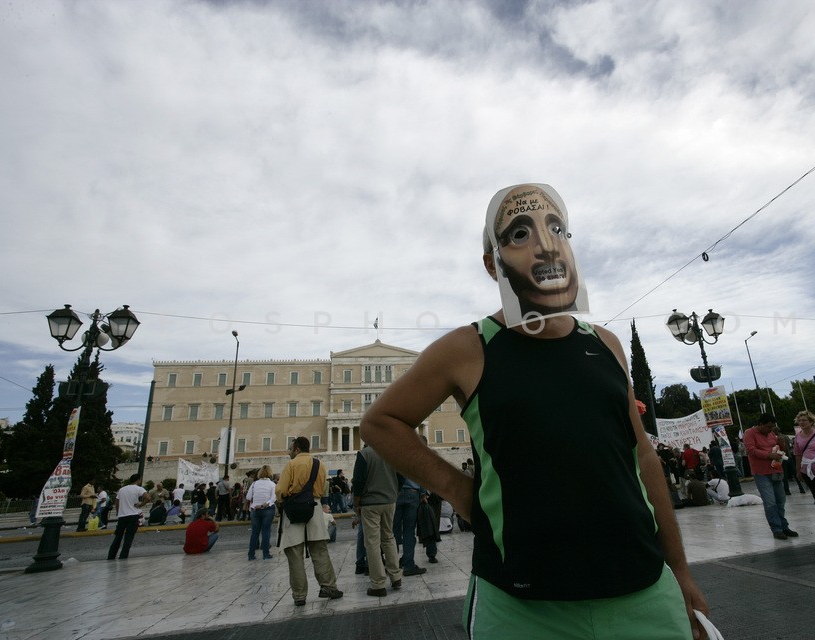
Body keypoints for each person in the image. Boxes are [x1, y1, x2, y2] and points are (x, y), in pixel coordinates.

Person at [358, 183, 707, 639]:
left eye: (557, 228)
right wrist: (459, 491)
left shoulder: (605, 344)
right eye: (519, 234)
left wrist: (679, 571)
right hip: (520, 605)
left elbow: (641, 455)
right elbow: (380, 423)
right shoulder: (468, 348)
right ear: (492, 263)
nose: (546, 245)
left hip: (644, 591)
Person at [276, 437, 342, 605]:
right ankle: (329, 587)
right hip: (315, 506)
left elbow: (281, 490)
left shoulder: (291, 465)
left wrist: (282, 499)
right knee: (319, 549)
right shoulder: (320, 465)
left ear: (297, 449)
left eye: (290, 449)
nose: (289, 452)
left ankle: (299, 596)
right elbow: (323, 488)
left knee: (295, 553)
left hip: (294, 508)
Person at [352, 444, 404, 597]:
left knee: (372, 543)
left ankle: (378, 584)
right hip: (389, 502)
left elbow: (358, 481)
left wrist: (356, 503)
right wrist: (394, 492)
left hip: (370, 504)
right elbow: (402, 476)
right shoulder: (391, 451)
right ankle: (396, 577)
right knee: (389, 537)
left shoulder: (364, 454)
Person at [743, 413, 798, 541]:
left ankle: (784, 526)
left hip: (776, 470)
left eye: (772, 427)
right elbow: (751, 450)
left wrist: (781, 444)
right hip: (761, 472)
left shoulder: (771, 434)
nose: (770, 429)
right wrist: (768, 455)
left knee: (780, 500)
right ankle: (776, 529)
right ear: (760, 424)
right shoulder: (750, 433)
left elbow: (778, 449)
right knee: (770, 502)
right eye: (768, 427)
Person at [107, 474, 150, 560]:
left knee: (118, 537)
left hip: (122, 516)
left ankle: (111, 556)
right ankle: (123, 556)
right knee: (128, 538)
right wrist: (141, 505)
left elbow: (117, 501)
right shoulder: (139, 488)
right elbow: (148, 498)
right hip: (133, 515)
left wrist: (118, 512)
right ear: (138, 480)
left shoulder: (122, 489)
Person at [246, 465, 276, 561]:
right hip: (267, 509)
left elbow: (248, 497)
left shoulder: (254, 484)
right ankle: (266, 554)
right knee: (266, 531)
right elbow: (273, 498)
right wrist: (265, 504)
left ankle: (251, 555)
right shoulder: (272, 484)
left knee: (255, 533)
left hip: (255, 509)